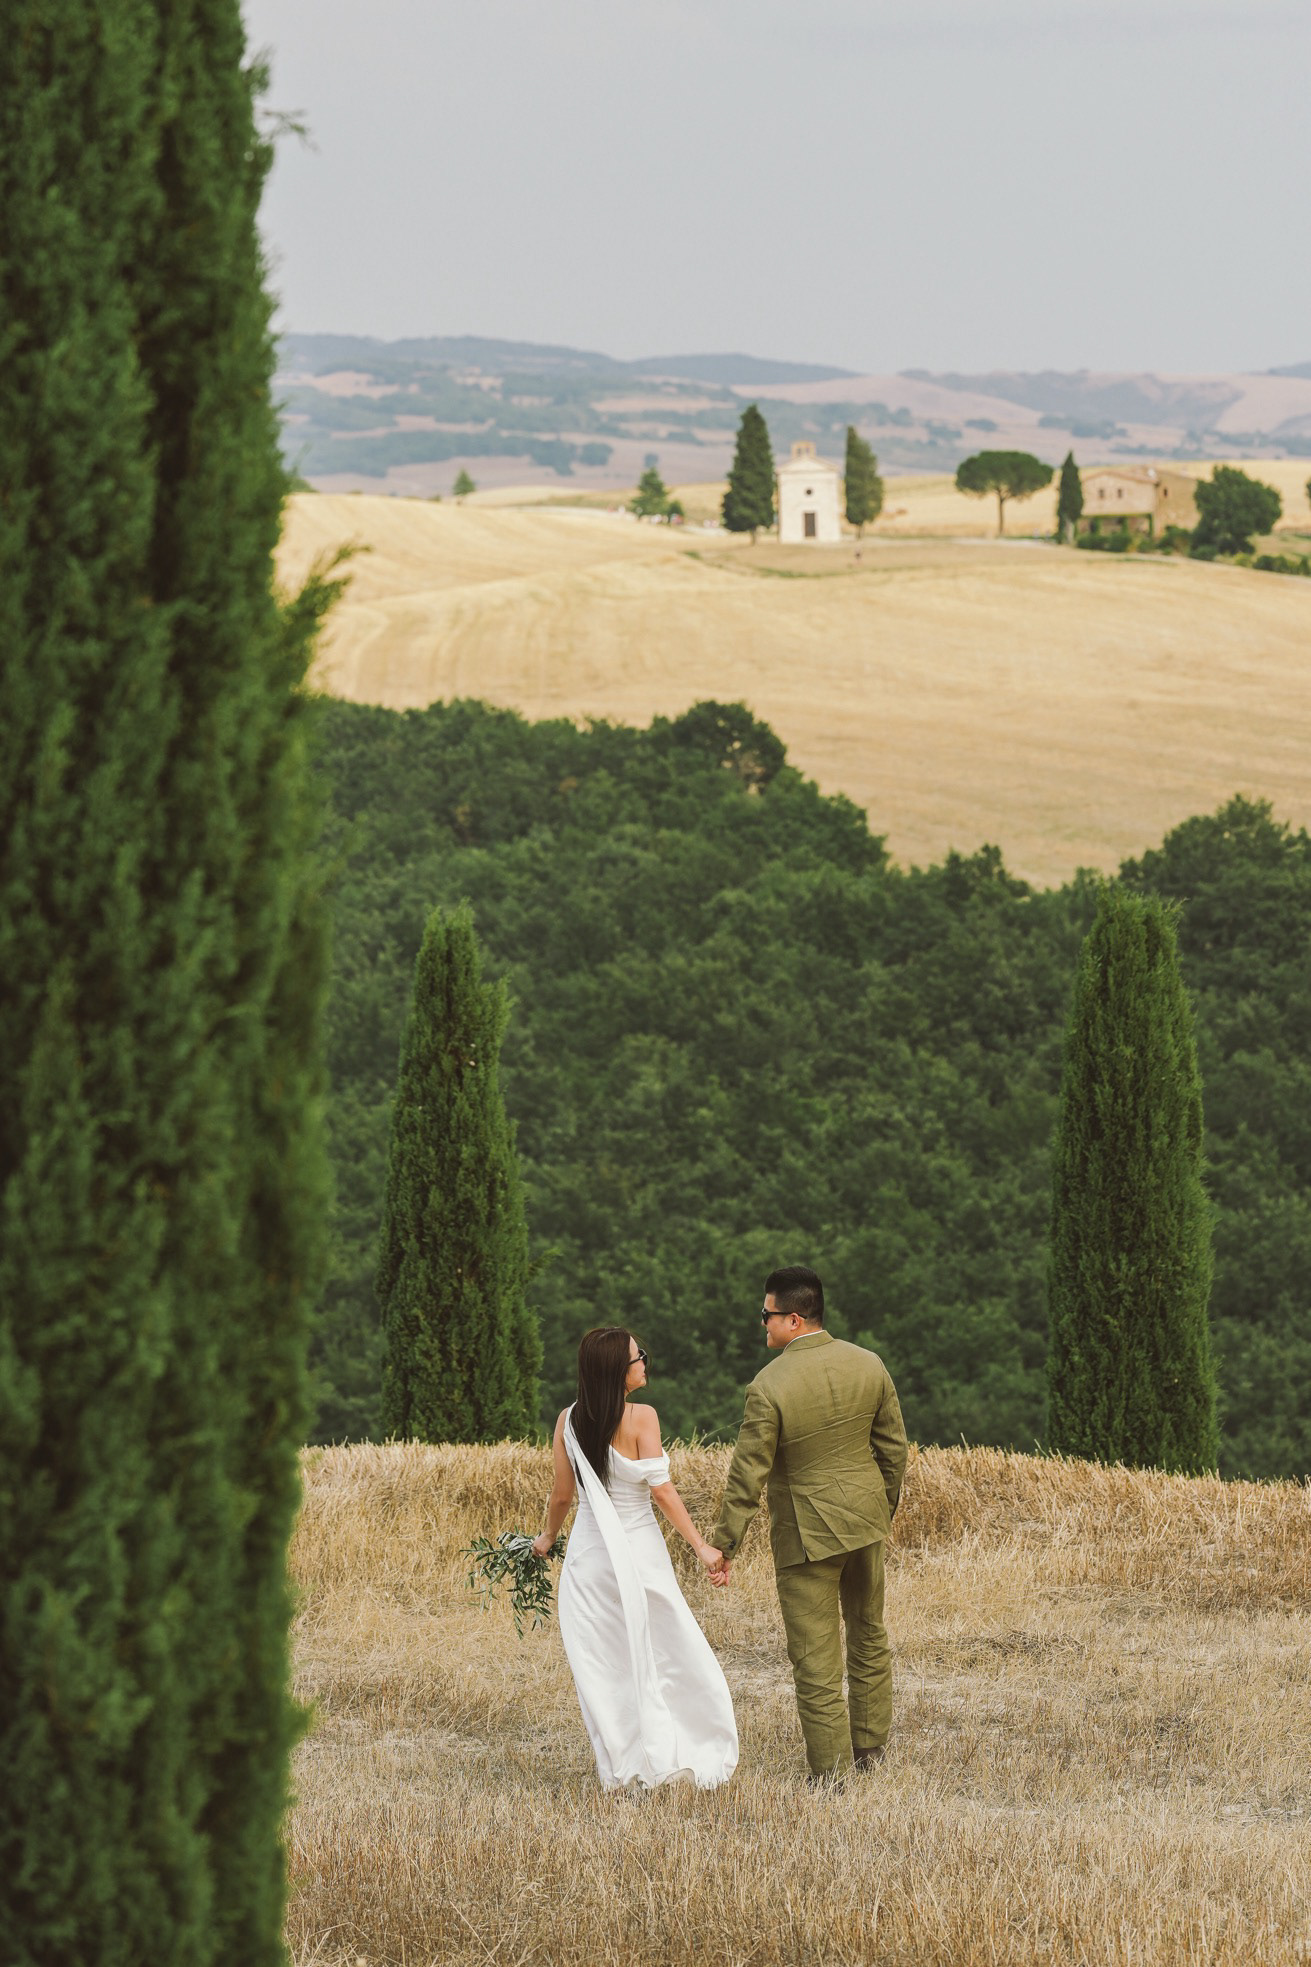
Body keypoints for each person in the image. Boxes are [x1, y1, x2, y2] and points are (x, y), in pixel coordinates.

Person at [708, 1265, 907, 1783]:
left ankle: (833, 1775)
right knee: (869, 1635)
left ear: (794, 1319)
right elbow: (893, 1450)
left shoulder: (768, 1386)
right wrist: (879, 1509)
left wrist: (725, 1544)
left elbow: (747, 1474)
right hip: (866, 1522)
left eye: (767, 1315)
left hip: (806, 1534)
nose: (762, 1323)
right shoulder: (869, 1364)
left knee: (815, 1658)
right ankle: (870, 1750)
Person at [533, 1327, 738, 1790]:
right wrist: (702, 1547)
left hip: (589, 1557)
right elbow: (661, 1492)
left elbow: (562, 1496)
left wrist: (547, 1538)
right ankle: (679, 1743)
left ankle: (623, 1763)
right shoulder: (643, 1417)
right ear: (616, 1370)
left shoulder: (567, 1421)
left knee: (604, 1660)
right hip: (639, 1550)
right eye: (636, 1356)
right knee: (666, 1644)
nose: (645, 1361)